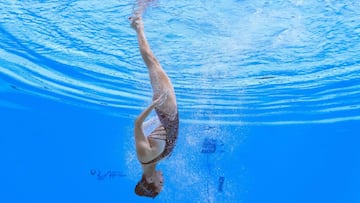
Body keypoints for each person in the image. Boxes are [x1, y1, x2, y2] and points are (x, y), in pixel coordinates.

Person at [130, 13, 179, 198]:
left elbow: (137, 124)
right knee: (154, 64)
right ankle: (138, 25)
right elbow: (146, 129)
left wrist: (154, 105)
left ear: (150, 181)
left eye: (160, 183)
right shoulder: (154, 161)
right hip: (167, 115)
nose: (163, 180)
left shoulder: (144, 156)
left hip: (166, 110)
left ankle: (138, 26)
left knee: (152, 62)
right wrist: (154, 119)